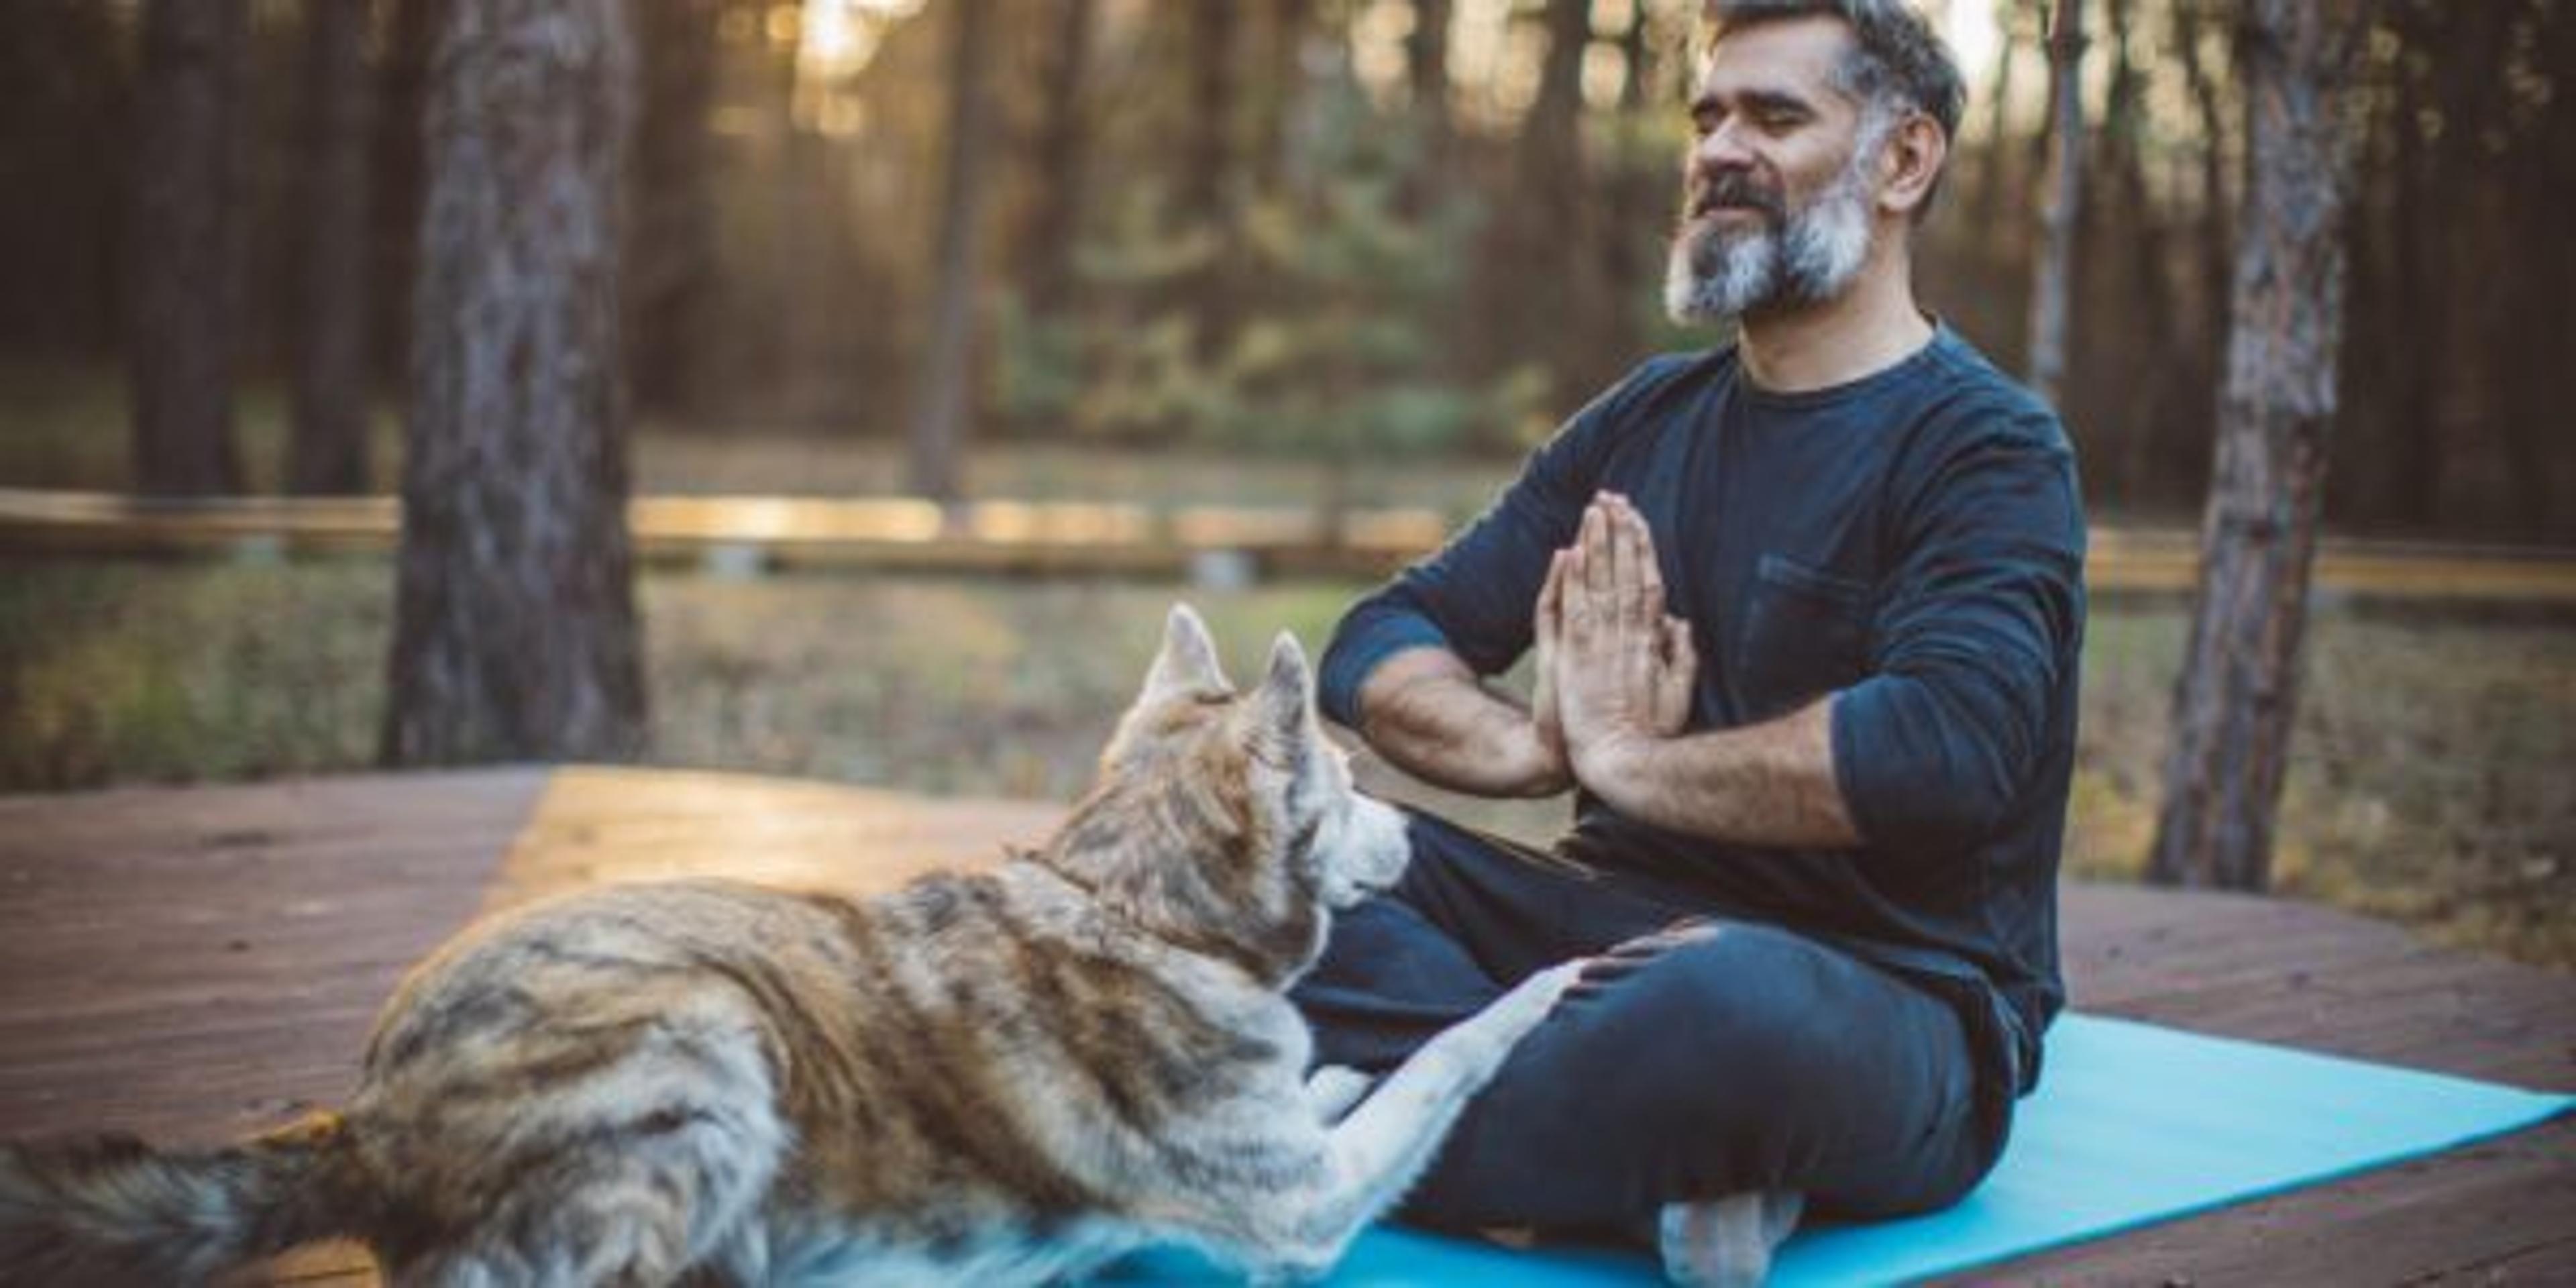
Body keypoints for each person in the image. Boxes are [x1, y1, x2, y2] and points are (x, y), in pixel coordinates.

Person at [1289, 1, 2087, 1282]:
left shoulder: (1987, 449)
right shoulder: (1646, 417)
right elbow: (1383, 638)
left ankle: (1315, 1136)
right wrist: (1530, 748)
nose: (1721, 150)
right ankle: (1629, 1178)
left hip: (1884, 998)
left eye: (1776, 117)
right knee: (1270, 865)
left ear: (1903, 161)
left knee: (1725, 1006)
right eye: (1708, 117)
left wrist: (1629, 762)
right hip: (1597, 942)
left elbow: (1945, 751)